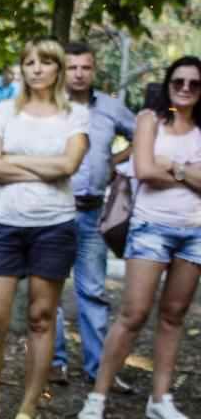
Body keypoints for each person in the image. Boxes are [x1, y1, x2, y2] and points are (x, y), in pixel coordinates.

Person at [77, 56, 201, 419]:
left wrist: (173, 167)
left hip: (195, 232)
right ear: (168, 84)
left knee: (174, 316)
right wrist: (190, 173)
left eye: (194, 84)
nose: (184, 88)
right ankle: (97, 396)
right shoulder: (150, 120)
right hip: (151, 228)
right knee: (133, 313)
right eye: (178, 81)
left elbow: (160, 169)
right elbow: (144, 169)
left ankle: (160, 398)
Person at [0, 38, 89, 419]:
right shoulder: (5, 111)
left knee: (41, 317)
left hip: (53, 225)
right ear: (22, 68)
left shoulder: (75, 115)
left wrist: (14, 161)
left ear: (58, 69)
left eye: (45, 62)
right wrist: (43, 166)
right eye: (29, 62)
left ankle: (28, 408)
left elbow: (69, 166)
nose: (37, 68)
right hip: (3, 223)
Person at [50, 42, 136, 386]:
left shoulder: (111, 107)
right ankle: (54, 363)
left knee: (94, 291)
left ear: (94, 70)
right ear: (63, 70)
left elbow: (141, 135)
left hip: (93, 211)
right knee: (50, 289)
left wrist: (113, 163)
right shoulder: (51, 107)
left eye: (86, 67)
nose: (79, 74)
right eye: (72, 67)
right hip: (55, 208)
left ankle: (98, 368)